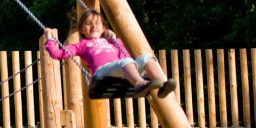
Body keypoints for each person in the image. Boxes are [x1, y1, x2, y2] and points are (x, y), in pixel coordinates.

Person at [43, 9, 177, 98]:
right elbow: (57, 54)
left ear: (103, 27)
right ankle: (140, 84)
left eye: (97, 23)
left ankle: (164, 84)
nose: (94, 26)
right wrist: (49, 39)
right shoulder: (81, 45)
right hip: (102, 72)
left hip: (120, 68)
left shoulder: (111, 43)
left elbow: (124, 54)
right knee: (126, 62)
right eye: (88, 24)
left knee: (147, 57)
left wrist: (115, 39)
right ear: (81, 29)